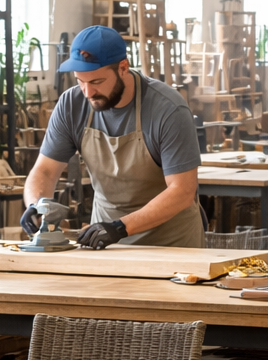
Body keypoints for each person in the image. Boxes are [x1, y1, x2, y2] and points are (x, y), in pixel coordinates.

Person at [21, 25, 204, 248]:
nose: (88, 93)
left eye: (97, 82)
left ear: (123, 68)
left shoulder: (167, 109)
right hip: (105, 242)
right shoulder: (72, 104)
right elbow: (46, 171)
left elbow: (182, 191)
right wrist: (36, 204)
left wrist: (120, 227)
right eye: (80, 81)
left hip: (170, 245)